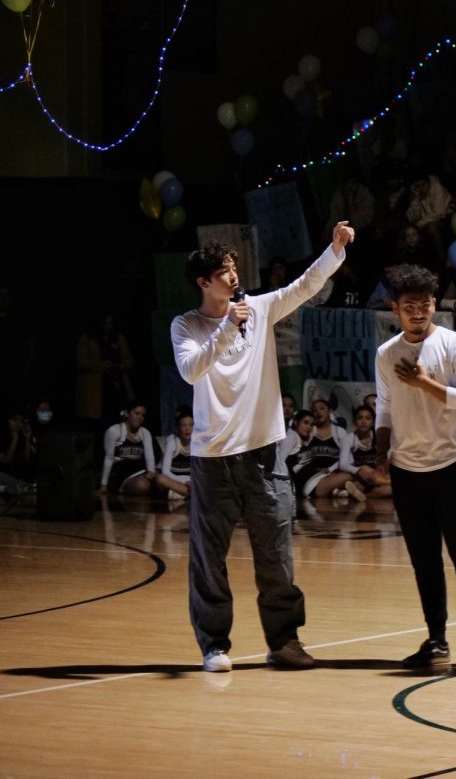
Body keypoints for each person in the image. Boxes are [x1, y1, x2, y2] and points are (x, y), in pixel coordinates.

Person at [171, 220, 354, 672]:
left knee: (275, 551)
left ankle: (285, 641)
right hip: (213, 456)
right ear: (203, 282)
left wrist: (333, 249)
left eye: (234, 268)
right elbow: (192, 371)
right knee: (209, 557)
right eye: (224, 273)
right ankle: (214, 644)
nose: (234, 278)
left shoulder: (259, 307)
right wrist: (227, 330)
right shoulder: (188, 325)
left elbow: (305, 285)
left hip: (265, 452)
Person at [374, 264, 456, 671]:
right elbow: (385, 408)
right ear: (395, 309)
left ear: (434, 305)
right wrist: (380, 451)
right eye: (409, 307)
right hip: (407, 469)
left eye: (425, 305)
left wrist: (426, 383)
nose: (418, 313)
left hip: (453, 463)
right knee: (424, 560)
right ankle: (436, 639)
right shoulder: (386, 354)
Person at [328, 405, 391, 500]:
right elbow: (343, 464)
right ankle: (394, 482)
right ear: (355, 421)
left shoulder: (378, 437)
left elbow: (387, 457)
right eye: (360, 418)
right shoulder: (349, 438)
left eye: (368, 418)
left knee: (389, 490)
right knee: (366, 468)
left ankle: (349, 494)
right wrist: (359, 471)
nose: (364, 422)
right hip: (360, 477)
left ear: (373, 421)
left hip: (377, 477)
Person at [98, 401, 157, 497]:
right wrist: (103, 485)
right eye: (137, 413)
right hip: (122, 474)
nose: (140, 417)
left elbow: (150, 455)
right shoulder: (114, 431)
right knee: (141, 486)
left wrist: (151, 471)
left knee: (160, 479)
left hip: (141, 471)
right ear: (126, 413)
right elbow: (108, 458)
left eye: (142, 415)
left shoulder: (145, 433)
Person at [157, 408, 193, 499]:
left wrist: (192, 481)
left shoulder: (197, 443)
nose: (187, 429)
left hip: (192, 482)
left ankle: (179, 494)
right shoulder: (172, 441)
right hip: (174, 481)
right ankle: (189, 494)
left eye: (191, 425)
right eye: (183, 425)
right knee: (160, 479)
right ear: (177, 427)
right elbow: (165, 471)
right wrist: (185, 482)